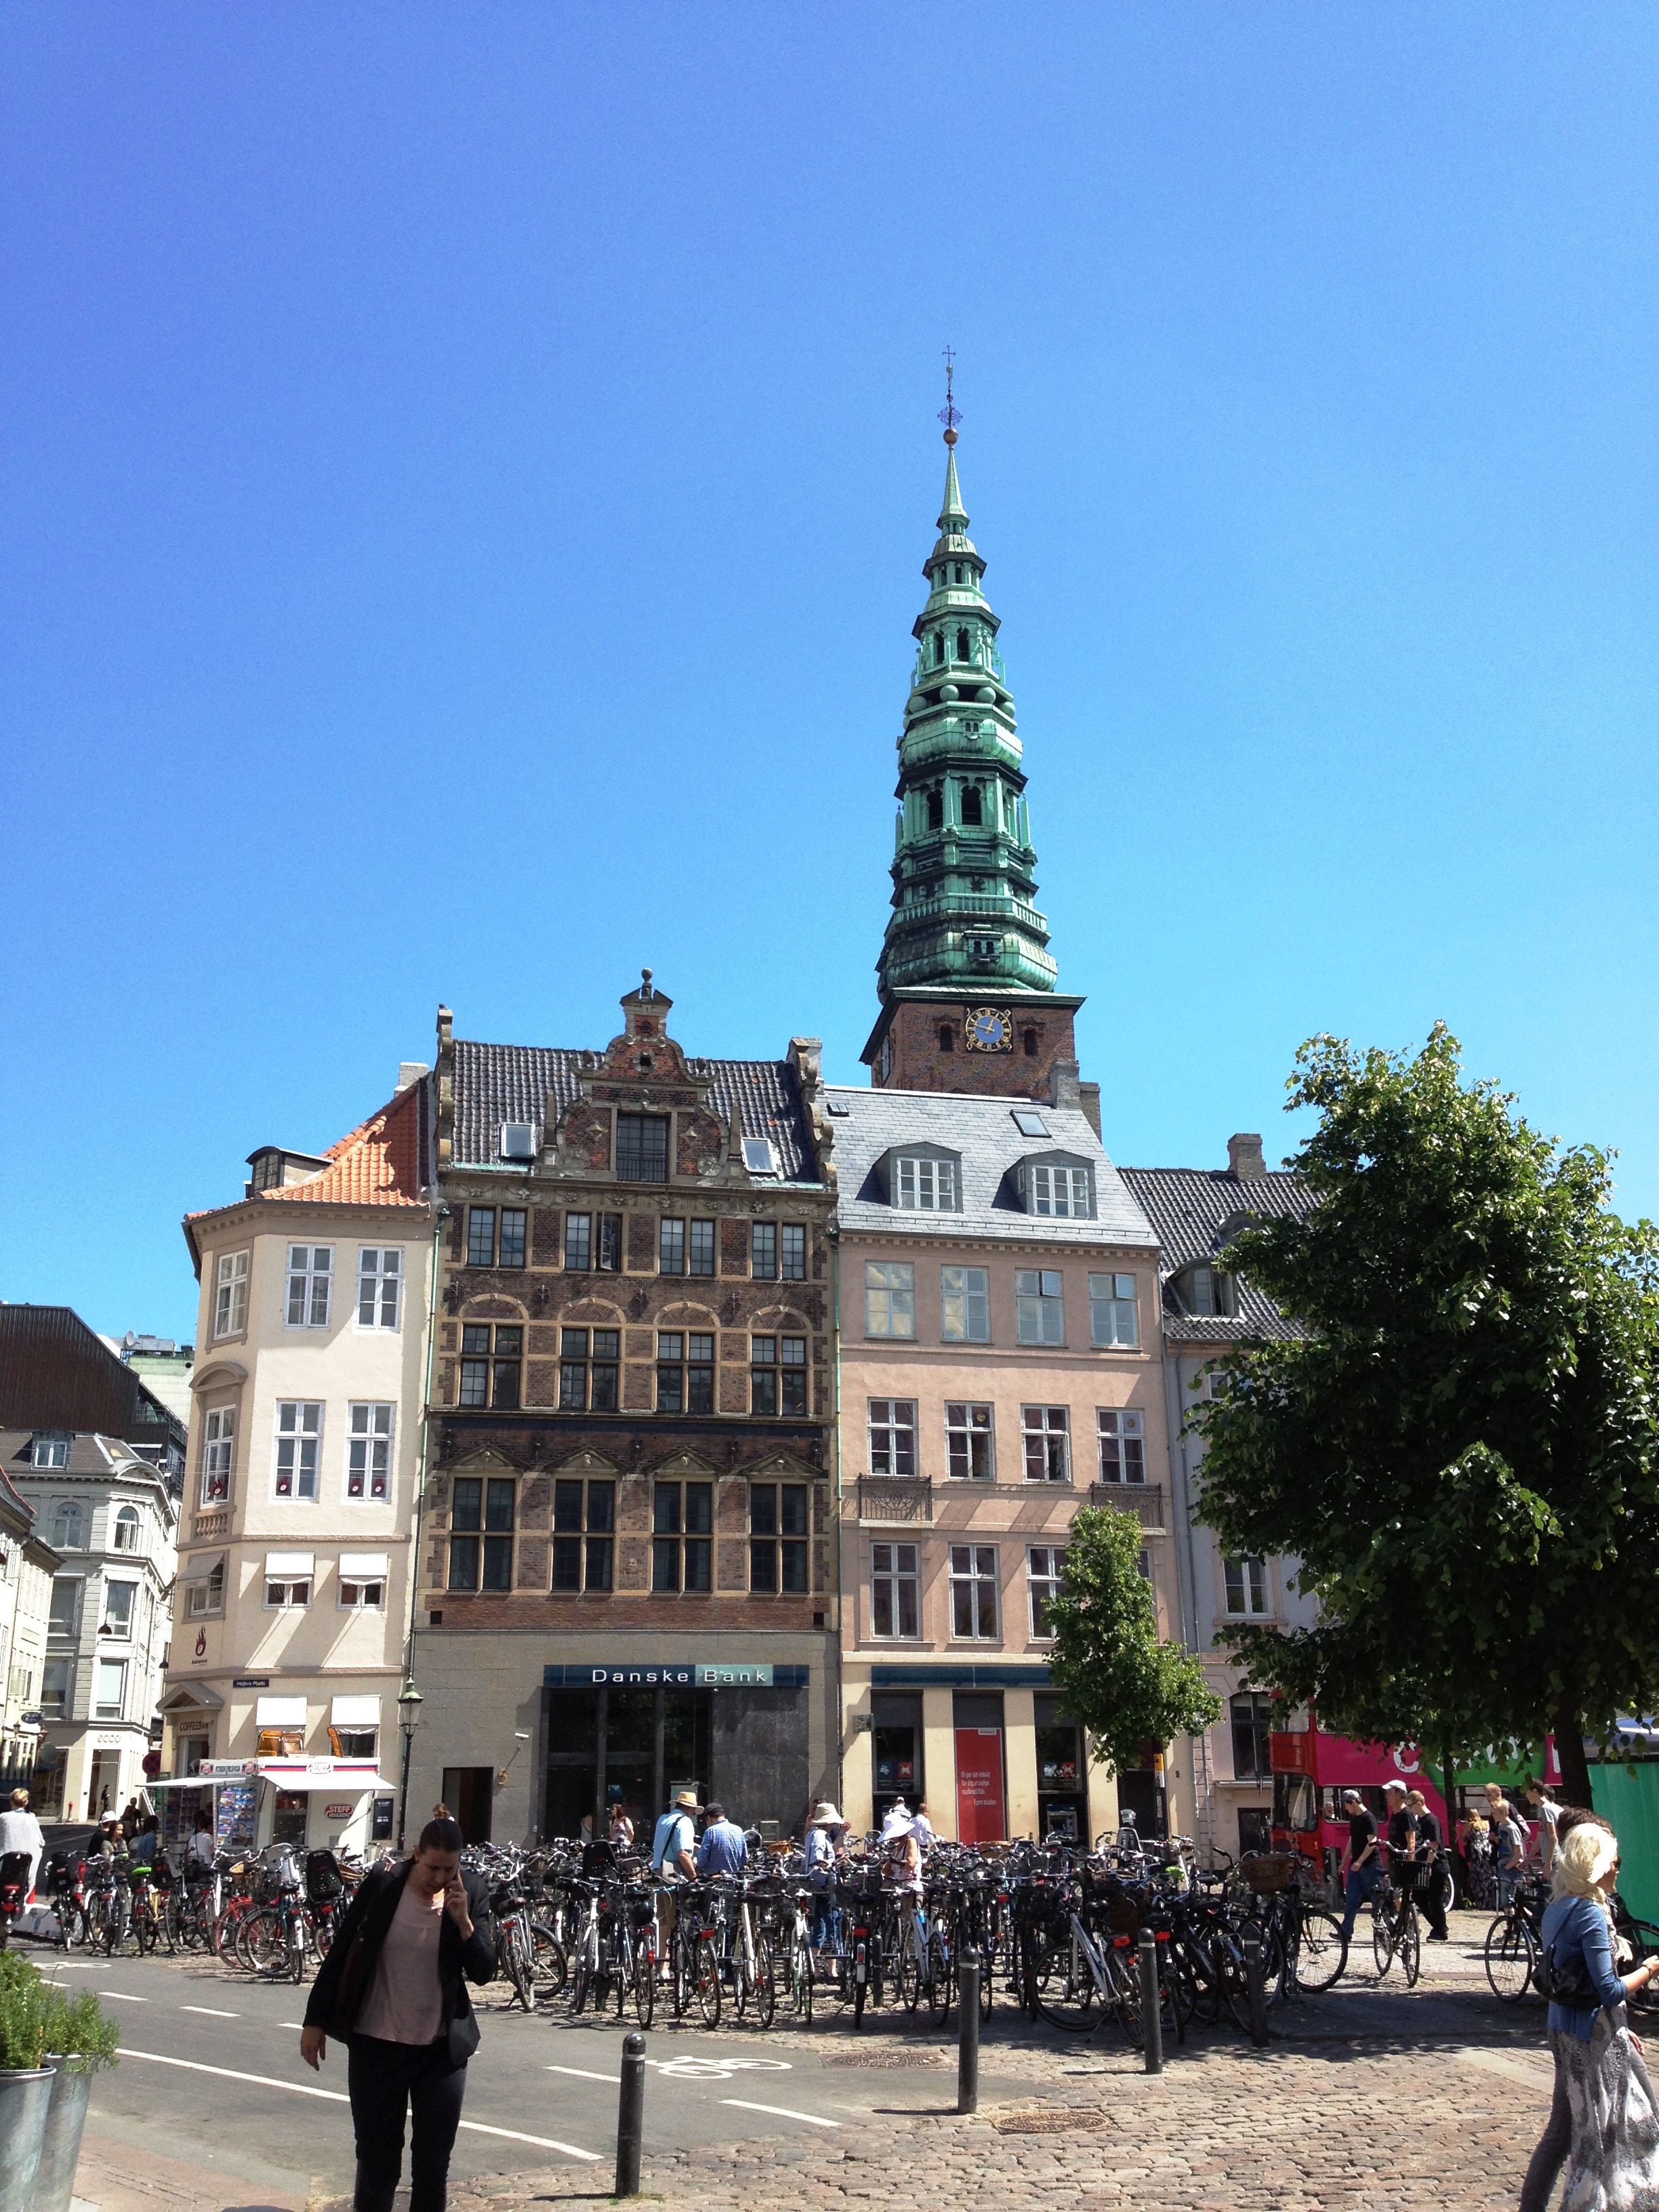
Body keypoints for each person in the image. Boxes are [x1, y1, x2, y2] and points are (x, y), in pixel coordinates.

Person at [301, 1814, 497, 2212]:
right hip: (377, 2045)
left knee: (432, 2167)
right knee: (377, 2163)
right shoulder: (384, 1884)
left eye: (450, 1868)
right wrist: (315, 2021)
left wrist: (463, 1924)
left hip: (440, 2052)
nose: (440, 1877)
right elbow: (342, 1952)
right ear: (415, 1855)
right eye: (432, 1867)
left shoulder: (471, 1892)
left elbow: (484, 1972)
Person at [1518, 1820, 1659, 2211]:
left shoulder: (1557, 1909)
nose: (1618, 1869)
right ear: (1596, 1866)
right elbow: (1609, 1989)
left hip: (1565, 2029)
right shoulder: (1591, 1915)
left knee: (1584, 2132)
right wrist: (1650, 1969)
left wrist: (1621, 2025)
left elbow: (1573, 1981)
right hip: (1593, 2036)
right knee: (1608, 2136)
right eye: (1615, 1862)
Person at [1337, 1788, 1384, 1942]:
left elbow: (1372, 1842)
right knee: (1351, 1898)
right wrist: (1344, 1861)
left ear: (1354, 1802)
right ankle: (1346, 1932)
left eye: (1347, 1805)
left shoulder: (1368, 1818)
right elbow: (1352, 1840)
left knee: (1377, 1899)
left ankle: (1384, 1929)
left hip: (1370, 1866)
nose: (1345, 1808)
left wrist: (1360, 1861)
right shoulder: (1354, 1818)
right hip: (1355, 1866)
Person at [1404, 1788, 1449, 1942]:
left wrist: (1428, 1865)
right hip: (1424, 1865)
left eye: (1410, 1806)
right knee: (1419, 1896)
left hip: (1436, 1866)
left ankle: (1441, 1932)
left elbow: (1434, 1845)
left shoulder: (1431, 1820)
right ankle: (1438, 1926)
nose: (1409, 1809)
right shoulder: (1420, 1821)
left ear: (1418, 1803)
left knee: (1435, 1899)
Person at [803, 1803, 846, 1959]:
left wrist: (841, 1834)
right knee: (832, 1921)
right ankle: (831, 1962)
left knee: (820, 1923)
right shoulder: (820, 1836)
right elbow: (818, 1859)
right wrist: (834, 1864)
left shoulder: (815, 1834)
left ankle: (816, 1962)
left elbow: (830, 1852)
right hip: (824, 1883)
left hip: (819, 1883)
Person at [0, 1789, 45, 1904]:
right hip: (25, 1869)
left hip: (4, 1866)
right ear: (26, 1803)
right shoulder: (32, 1819)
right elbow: (41, 1842)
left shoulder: (3, 1818)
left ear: (11, 1802)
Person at [651, 1789, 699, 1882]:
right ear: (690, 1808)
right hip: (674, 1874)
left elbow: (667, 1841)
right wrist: (694, 1878)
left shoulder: (663, 1819)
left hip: (657, 1870)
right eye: (694, 1812)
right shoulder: (685, 1821)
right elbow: (683, 1854)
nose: (693, 1815)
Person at [695, 1802, 747, 1879]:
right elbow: (744, 1860)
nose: (707, 1824)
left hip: (713, 1883)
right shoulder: (739, 1830)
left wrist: (698, 1853)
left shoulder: (710, 1832)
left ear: (709, 1818)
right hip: (733, 1881)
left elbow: (702, 1861)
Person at [1493, 1797, 1527, 1906]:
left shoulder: (1513, 1829)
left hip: (1511, 1866)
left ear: (1502, 1813)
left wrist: (1508, 1866)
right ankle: (1513, 1920)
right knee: (1505, 1901)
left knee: (1508, 1900)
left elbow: (1519, 1852)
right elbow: (1504, 1842)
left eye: (1495, 1813)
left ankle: (1513, 1921)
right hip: (1503, 1863)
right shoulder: (1501, 1826)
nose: (1493, 1815)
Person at [1523, 1779, 1561, 1874]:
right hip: (1556, 1858)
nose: (1526, 1796)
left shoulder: (1545, 1809)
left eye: (1527, 1792)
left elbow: (1552, 1837)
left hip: (1554, 1860)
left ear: (1535, 1791)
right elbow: (1540, 1837)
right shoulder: (1552, 1808)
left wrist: (1548, 1862)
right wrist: (1527, 1860)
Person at [184, 1809, 216, 1875]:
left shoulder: (193, 1838)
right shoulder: (211, 1838)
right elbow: (213, 1852)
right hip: (207, 1866)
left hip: (194, 1867)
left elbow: (188, 1854)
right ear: (211, 1826)